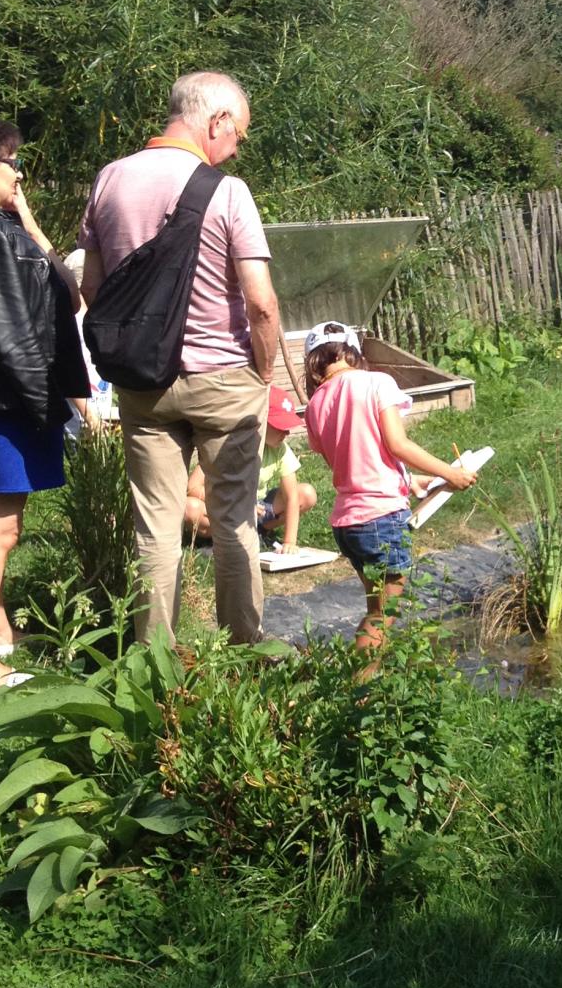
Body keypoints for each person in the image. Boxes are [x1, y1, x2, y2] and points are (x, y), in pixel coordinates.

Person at [79, 71, 280, 645]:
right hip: (225, 379)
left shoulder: (108, 181)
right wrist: (262, 373)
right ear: (215, 122)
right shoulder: (228, 191)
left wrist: (144, 341)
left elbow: (95, 289)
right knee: (235, 520)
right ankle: (243, 653)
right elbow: (261, 304)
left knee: (155, 528)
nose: (237, 145)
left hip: (144, 384)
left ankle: (155, 664)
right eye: (238, 132)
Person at [0, 119, 90, 690]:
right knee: (0, 531)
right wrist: (26, 217)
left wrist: (21, 218)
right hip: (5, 404)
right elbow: (69, 297)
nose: (19, 173)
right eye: (11, 163)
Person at [301, 321, 477, 651]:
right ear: (352, 352)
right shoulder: (376, 382)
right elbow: (397, 444)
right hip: (379, 520)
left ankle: (364, 682)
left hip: (348, 524)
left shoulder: (314, 406)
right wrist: (450, 473)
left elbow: (351, 464)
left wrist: (409, 481)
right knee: (383, 615)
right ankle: (358, 692)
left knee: (376, 609)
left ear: (312, 361)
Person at [184, 386, 314, 551]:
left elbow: (292, 496)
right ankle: (224, 538)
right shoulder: (229, 445)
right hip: (227, 507)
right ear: (260, 422)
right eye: (281, 426)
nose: (287, 433)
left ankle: (259, 531)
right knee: (190, 508)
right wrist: (237, 505)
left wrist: (289, 542)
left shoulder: (280, 449)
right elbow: (193, 487)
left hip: (259, 508)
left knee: (307, 494)